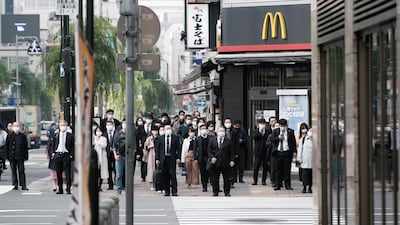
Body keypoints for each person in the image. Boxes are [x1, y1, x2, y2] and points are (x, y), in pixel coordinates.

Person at [208, 127, 235, 197]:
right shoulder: (212, 140)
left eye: (223, 131)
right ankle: (215, 191)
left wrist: (232, 160)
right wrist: (212, 158)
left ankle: (227, 192)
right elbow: (209, 151)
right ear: (217, 132)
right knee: (215, 178)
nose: (221, 132)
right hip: (216, 162)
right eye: (220, 131)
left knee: (226, 178)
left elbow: (232, 151)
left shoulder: (228, 141)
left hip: (225, 162)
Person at [270, 118, 297, 190]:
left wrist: (294, 151)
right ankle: (278, 184)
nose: (282, 127)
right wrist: (278, 138)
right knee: (278, 169)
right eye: (281, 125)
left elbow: (293, 142)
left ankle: (287, 185)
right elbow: (272, 139)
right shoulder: (276, 131)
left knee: (287, 170)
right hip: (278, 152)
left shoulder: (290, 131)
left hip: (287, 152)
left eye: (284, 125)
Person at [155, 124, 181, 196]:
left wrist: (178, 157)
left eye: (169, 128)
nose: (168, 130)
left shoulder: (175, 138)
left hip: (172, 158)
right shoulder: (160, 138)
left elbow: (178, 149)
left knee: (172, 175)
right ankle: (167, 191)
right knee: (165, 175)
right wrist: (157, 158)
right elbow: (157, 149)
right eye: (166, 129)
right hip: (163, 159)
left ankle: (174, 191)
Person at [50, 120, 74, 194]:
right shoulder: (56, 135)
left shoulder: (70, 135)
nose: (62, 127)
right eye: (61, 125)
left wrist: (71, 155)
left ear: (67, 127)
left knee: (67, 173)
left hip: (66, 154)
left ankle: (68, 188)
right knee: (58, 173)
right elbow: (52, 145)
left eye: (64, 125)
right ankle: (60, 188)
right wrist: (53, 153)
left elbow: (73, 146)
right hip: (58, 155)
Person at [5, 122, 29, 190]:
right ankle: (15, 184)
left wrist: (26, 156)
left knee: (21, 171)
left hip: (20, 156)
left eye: (17, 126)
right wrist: (6, 156)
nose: (16, 127)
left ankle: (23, 185)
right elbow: (7, 146)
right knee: (13, 171)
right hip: (12, 156)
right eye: (15, 126)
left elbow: (25, 147)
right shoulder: (9, 135)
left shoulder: (22, 136)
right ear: (12, 127)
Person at [252, 118, 270, 185]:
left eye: (263, 124)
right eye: (260, 124)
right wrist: (260, 131)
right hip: (258, 151)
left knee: (265, 167)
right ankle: (255, 180)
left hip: (265, 151)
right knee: (256, 167)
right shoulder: (256, 131)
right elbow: (254, 137)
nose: (262, 125)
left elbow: (268, 138)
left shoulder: (268, 131)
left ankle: (264, 181)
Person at [195, 124, 212, 192]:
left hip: (209, 157)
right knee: (203, 172)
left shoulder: (211, 138)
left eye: (205, 128)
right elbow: (195, 149)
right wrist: (196, 158)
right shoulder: (197, 139)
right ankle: (204, 186)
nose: (204, 130)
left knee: (209, 171)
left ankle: (209, 182)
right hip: (201, 158)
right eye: (202, 129)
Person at [113, 119, 127, 194]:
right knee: (119, 174)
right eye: (124, 123)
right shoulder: (117, 134)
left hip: (128, 156)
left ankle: (128, 187)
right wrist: (115, 155)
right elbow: (114, 146)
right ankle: (119, 188)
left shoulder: (130, 134)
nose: (125, 125)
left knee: (128, 174)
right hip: (119, 156)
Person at [143, 125, 159, 190]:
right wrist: (150, 146)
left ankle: (158, 184)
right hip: (151, 155)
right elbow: (145, 147)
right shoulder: (149, 139)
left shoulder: (159, 138)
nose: (155, 132)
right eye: (153, 130)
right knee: (151, 170)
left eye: (156, 130)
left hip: (158, 155)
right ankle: (151, 184)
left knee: (158, 169)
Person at [298, 128, 313, 193]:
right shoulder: (303, 139)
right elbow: (300, 150)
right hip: (305, 160)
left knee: (311, 175)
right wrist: (299, 159)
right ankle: (304, 187)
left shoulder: (316, 139)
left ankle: (310, 187)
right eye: (310, 131)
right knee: (304, 175)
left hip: (313, 161)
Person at [93, 127, 108, 191]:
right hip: (95, 156)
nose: (98, 132)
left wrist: (97, 142)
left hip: (102, 156)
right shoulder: (93, 138)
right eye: (97, 131)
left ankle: (100, 185)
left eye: (99, 131)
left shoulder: (103, 138)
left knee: (101, 172)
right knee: (95, 172)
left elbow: (104, 145)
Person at [135, 117, 148, 182]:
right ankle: (143, 176)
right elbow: (137, 139)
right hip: (142, 147)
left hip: (149, 147)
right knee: (143, 162)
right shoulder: (140, 128)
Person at [105, 120, 116, 190]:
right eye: (108, 125)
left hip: (115, 153)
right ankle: (110, 184)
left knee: (116, 169)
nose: (109, 126)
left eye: (110, 125)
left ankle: (117, 181)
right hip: (107, 154)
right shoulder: (104, 134)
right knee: (108, 169)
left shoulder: (116, 133)